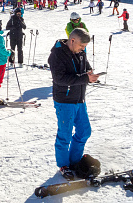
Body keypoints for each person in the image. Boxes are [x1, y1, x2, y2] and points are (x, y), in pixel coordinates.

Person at [48, 28, 100, 180]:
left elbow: (84, 63)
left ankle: (74, 161)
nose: (83, 49)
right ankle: (64, 165)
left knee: (84, 131)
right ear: (72, 41)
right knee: (65, 135)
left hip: (79, 98)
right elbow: (60, 79)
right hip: (65, 100)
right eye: (81, 46)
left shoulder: (79, 51)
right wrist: (85, 79)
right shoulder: (57, 55)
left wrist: (89, 70)